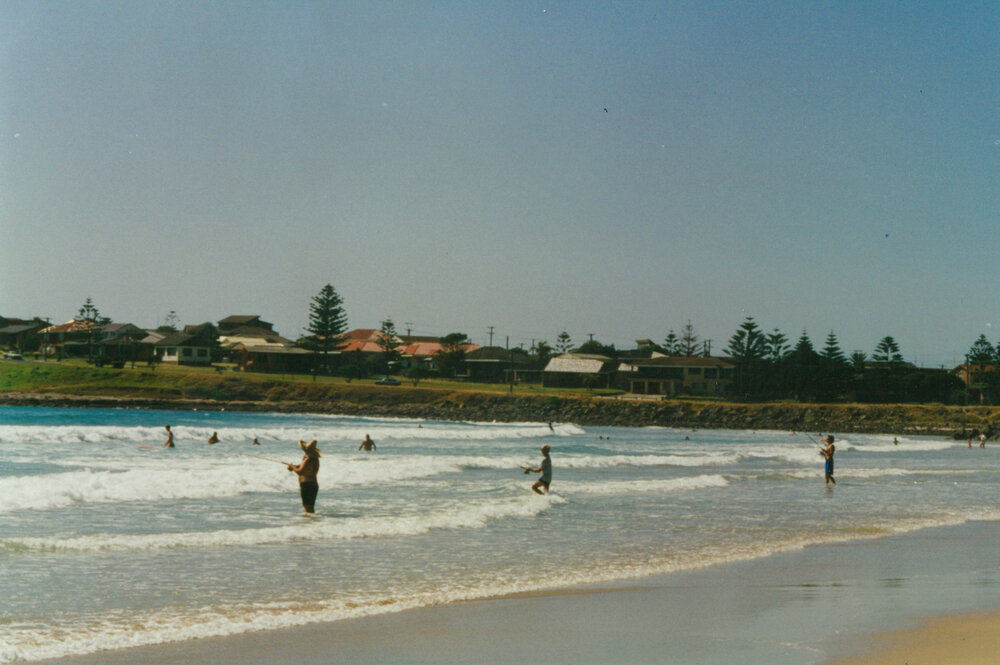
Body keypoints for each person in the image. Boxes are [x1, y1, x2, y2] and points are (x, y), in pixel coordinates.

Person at [287, 440, 321, 513]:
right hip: (313, 484)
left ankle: (310, 522)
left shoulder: (307, 460)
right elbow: (305, 469)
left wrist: (292, 467)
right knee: (310, 507)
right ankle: (312, 522)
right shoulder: (315, 459)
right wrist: (295, 467)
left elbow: (300, 472)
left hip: (307, 485)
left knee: (307, 507)